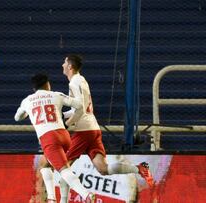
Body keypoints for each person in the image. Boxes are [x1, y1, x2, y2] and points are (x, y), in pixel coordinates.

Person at [39, 54, 154, 203]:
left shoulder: (74, 83)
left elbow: (79, 109)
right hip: (93, 129)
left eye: (64, 62)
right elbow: (82, 108)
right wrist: (63, 114)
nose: (62, 65)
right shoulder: (82, 80)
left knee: (63, 170)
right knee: (103, 168)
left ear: (70, 66)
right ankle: (139, 169)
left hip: (84, 132)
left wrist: (67, 123)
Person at [14, 74, 95, 203]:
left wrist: (27, 111)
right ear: (47, 85)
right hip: (64, 135)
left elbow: (17, 118)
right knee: (46, 167)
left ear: (34, 88)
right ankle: (52, 199)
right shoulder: (56, 95)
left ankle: (86, 195)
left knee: (64, 171)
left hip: (48, 139)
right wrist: (66, 115)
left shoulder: (27, 101)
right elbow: (79, 105)